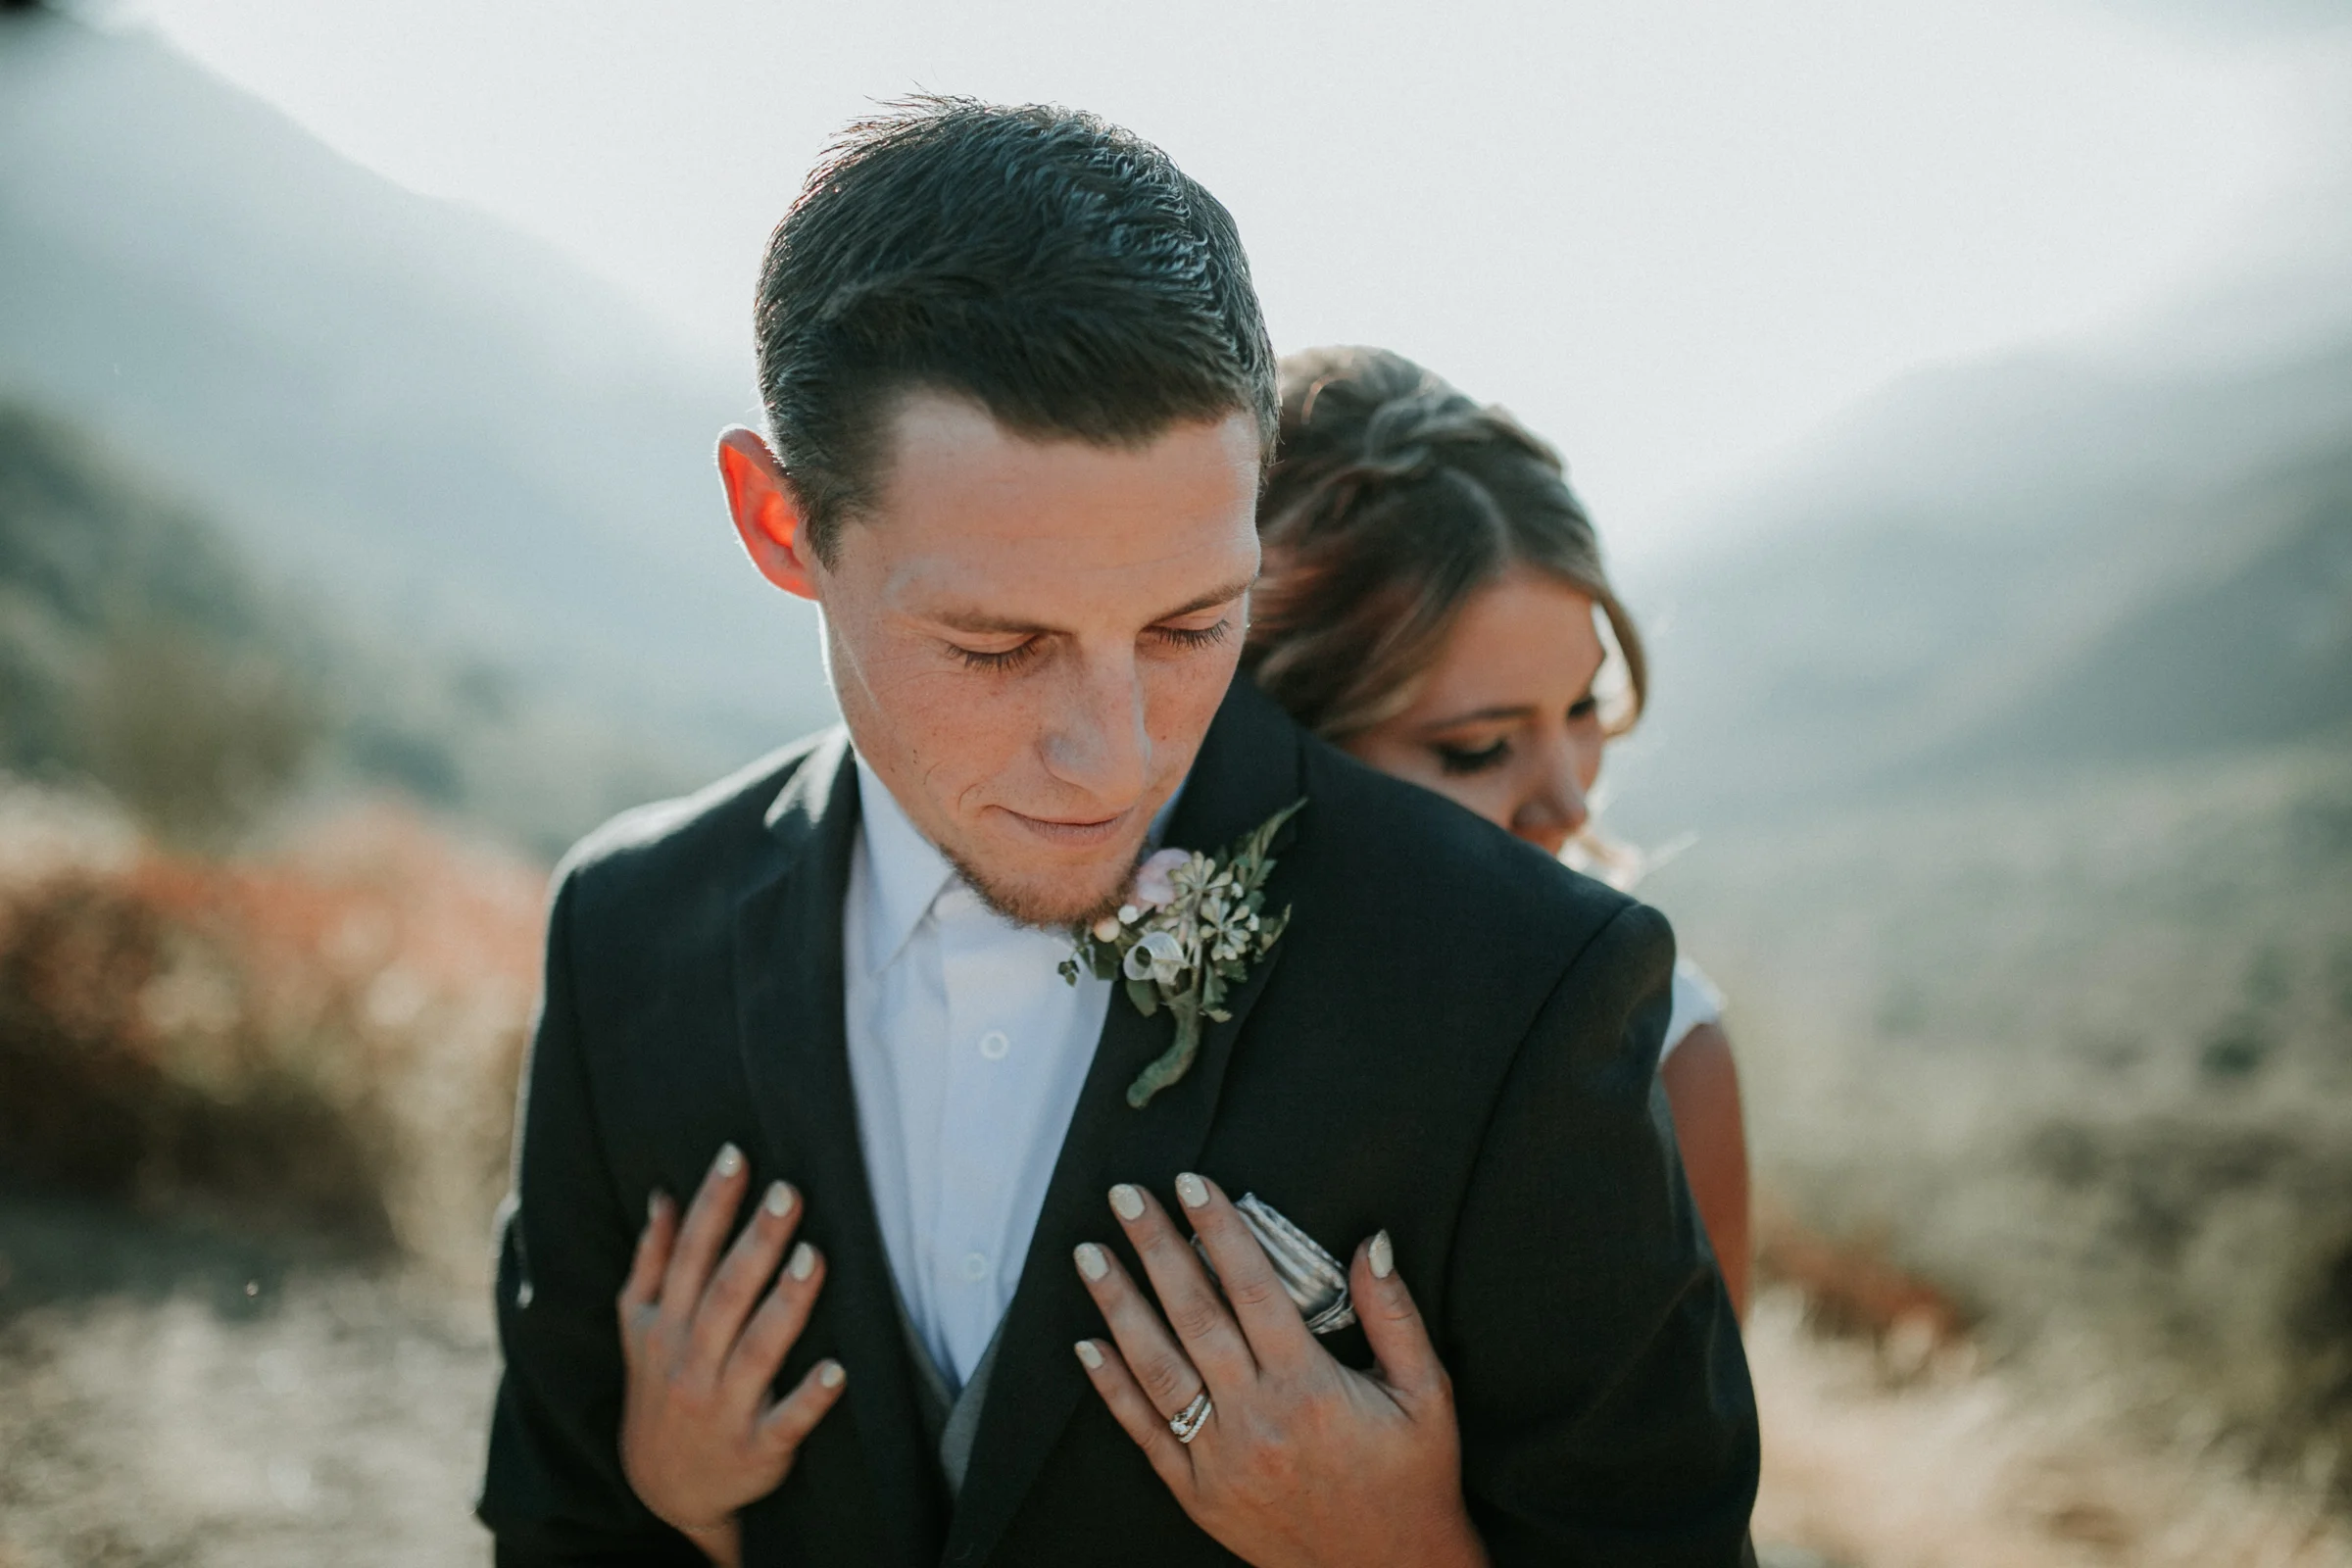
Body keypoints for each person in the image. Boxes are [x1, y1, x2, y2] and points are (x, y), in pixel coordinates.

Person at [477, 98, 1756, 1567]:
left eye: (1189, 625)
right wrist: (662, 1507)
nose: (1118, 751)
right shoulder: (627, 930)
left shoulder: (1525, 984)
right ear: (781, 524)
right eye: (998, 643)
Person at [1246, 346, 1751, 1314]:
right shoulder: (1107, 983)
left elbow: (1693, 1417)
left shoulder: (1667, 1051)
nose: (1569, 805)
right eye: (1479, 749)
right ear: (1282, 735)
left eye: (1583, 707)